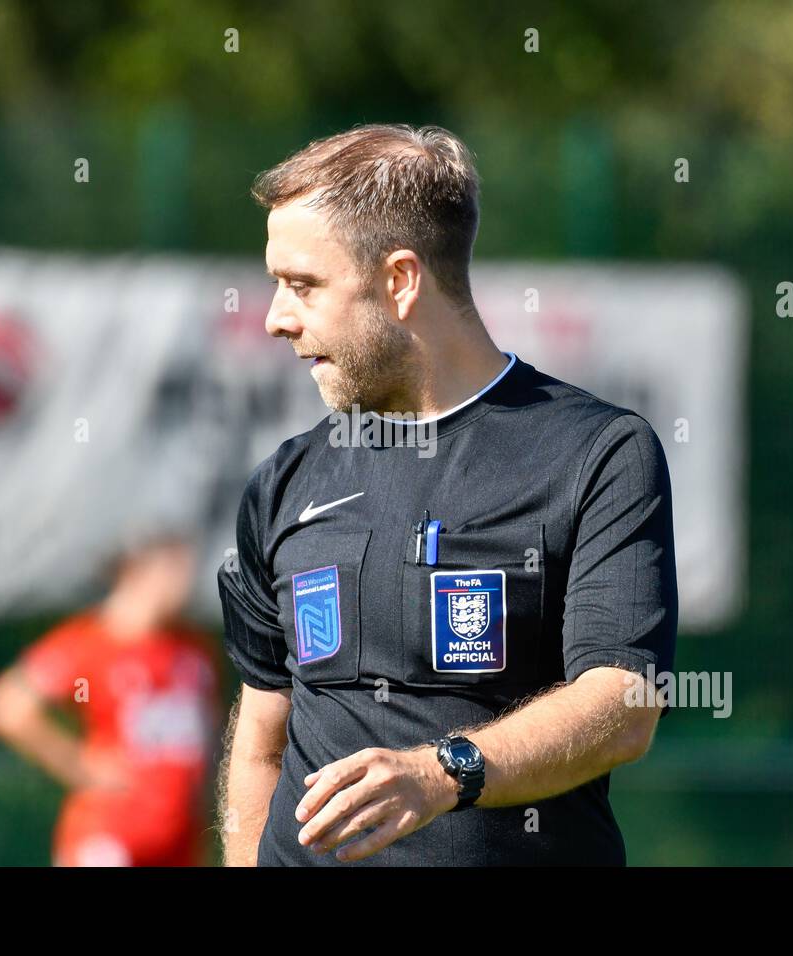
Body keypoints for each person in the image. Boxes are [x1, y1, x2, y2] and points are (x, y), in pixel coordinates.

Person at [216, 124, 679, 866]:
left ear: (401, 280)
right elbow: (261, 741)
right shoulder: (285, 482)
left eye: (303, 285)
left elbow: (624, 707)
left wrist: (442, 774)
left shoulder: (597, 452)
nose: (277, 318)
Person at [0, 536, 219, 866]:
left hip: (180, 839)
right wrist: (78, 764)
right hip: (109, 834)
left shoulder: (194, 650)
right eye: (173, 568)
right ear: (136, 572)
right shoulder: (91, 641)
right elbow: (5, 707)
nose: (185, 581)